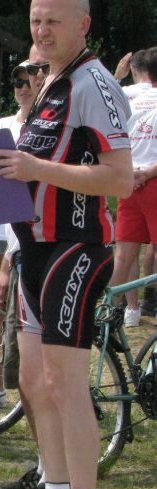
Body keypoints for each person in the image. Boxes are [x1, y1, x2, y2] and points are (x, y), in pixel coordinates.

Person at [0, 0, 133, 489]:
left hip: (75, 249)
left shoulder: (95, 82)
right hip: (33, 251)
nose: (41, 31)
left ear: (83, 26)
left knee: (67, 388)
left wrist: (37, 169)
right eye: (35, 20)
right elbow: (29, 168)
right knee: (36, 386)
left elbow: (118, 178)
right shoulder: (52, 83)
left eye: (54, 21)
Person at [0, 45, 52, 489]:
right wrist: (7, 267)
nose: (26, 82)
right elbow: (8, 211)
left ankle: (57, 484)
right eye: (19, 77)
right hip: (24, 257)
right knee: (27, 383)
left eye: (37, 73)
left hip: (57, 259)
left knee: (50, 382)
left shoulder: (55, 128)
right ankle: (47, 471)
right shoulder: (16, 128)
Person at [108, 47, 157, 328]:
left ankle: (122, 311)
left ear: (136, 70)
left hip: (129, 180)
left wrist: (117, 74)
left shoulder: (125, 94)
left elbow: (104, 97)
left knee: (124, 254)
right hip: (152, 180)